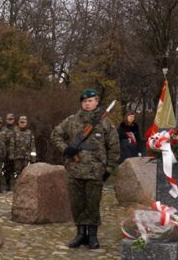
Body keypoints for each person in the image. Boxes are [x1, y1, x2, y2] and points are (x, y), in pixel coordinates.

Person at [51, 89, 119, 249]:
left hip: (95, 171)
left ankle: (93, 235)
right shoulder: (72, 121)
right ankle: (80, 234)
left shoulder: (105, 123)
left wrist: (109, 169)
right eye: (84, 101)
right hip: (75, 170)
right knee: (77, 203)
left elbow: (114, 147)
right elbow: (55, 135)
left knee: (93, 204)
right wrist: (66, 149)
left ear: (96, 102)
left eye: (90, 101)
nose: (87, 104)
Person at [9, 115, 36, 188]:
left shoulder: (29, 133)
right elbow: (12, 145)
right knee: (17, 173)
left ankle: (26, 187)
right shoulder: (15, 132)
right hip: (17, 156)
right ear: (18, 122)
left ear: (26, 123)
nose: (22, 124)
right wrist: (11, 155)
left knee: (26, 173)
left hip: (26, 157)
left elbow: (32, 146)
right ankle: (17, 187)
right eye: (21, 122)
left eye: (24, 122)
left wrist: (33, 158)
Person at [2, 113, 17, 191]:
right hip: (6, 153)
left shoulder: (16, 129)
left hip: (16, 153)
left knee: (15, 170)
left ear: (14, 120)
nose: (10, 121)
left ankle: (15, 185)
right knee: (7, 170)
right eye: (8, 119)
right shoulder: (3, 129)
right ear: (6, 120)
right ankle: (8, 185)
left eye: (11, 119)